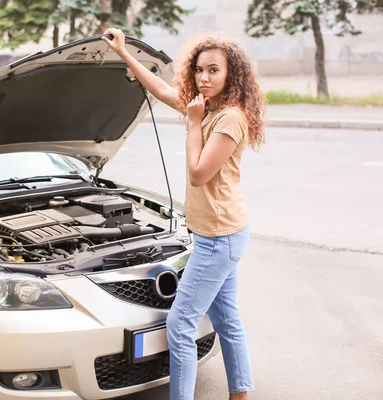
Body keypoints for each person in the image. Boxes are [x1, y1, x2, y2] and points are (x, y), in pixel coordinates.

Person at [102, 29, 266, 400]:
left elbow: (198, 173)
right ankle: (240, 394)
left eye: (213, 71)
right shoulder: (204, 106)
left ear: (231, 75)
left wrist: (193, 124)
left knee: (179, 324)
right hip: (218, 233)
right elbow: (161, 91)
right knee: (227, 320)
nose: (204, 78)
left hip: (218, 238)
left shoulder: (229, 118)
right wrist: (125, 53)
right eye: (198, 70)